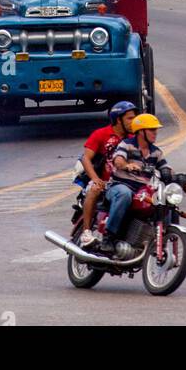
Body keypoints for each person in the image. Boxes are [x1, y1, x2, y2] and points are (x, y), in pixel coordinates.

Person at [99, 112, 168, 256]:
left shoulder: (156, 152)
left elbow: (165, 168)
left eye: (156, 130)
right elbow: (118, 159)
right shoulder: (127, 145)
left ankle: (163, 239)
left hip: (142, 191)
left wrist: (179, 179)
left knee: (165, 201)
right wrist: (127, 165)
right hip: (118, 186)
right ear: (141, 132)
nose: (155, 133)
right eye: (152, 129)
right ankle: (108, 237)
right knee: (125, 194)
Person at [77, 100, 137, 248]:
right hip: (105, 182)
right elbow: (85, 158)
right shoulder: (101, 134)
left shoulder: (133, 138)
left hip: (126, 181)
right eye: (129, 118)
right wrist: (96, 179)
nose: (133, 121)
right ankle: (86, 232)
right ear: (118, 120)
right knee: (94, 189)